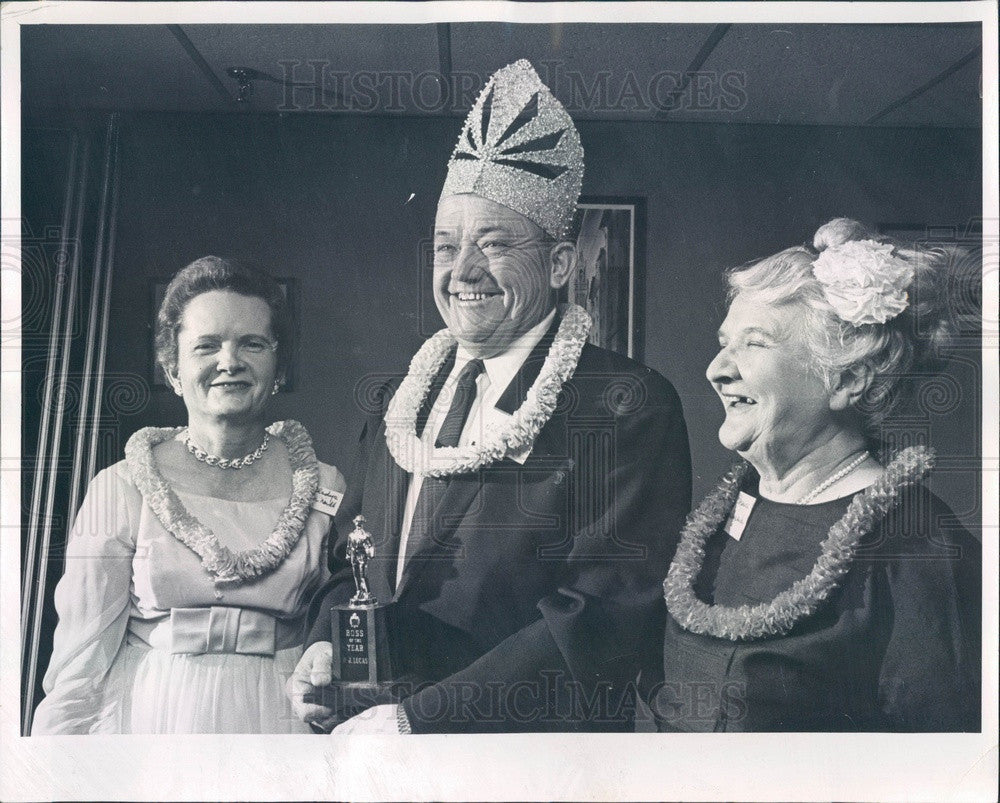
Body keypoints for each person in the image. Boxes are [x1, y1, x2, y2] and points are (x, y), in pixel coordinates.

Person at [287, 60, 691, 734]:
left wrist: (421, 718)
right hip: (371, 742)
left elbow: (601, 619)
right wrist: (320, 646)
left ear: (560, 266)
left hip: (524, 759)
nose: (463, 270)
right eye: (447, 246)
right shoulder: (398, 402)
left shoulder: (625, 405)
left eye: (495, 244)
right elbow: (345, 560)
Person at [647, 218, 981, 732]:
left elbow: (935, 763)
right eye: (724, 342)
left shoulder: (918, 544)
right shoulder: (729, 507)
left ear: (846, 379)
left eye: (754, 344)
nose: (717, 368)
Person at [32, 256, 345, 734]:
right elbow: (80, 660)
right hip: (152, 718)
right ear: (173, 368)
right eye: (206, 346)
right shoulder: (121, 487)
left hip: (281, 722)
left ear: (278, 366)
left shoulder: (325, 485)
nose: (230, 362)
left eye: (252, 344)